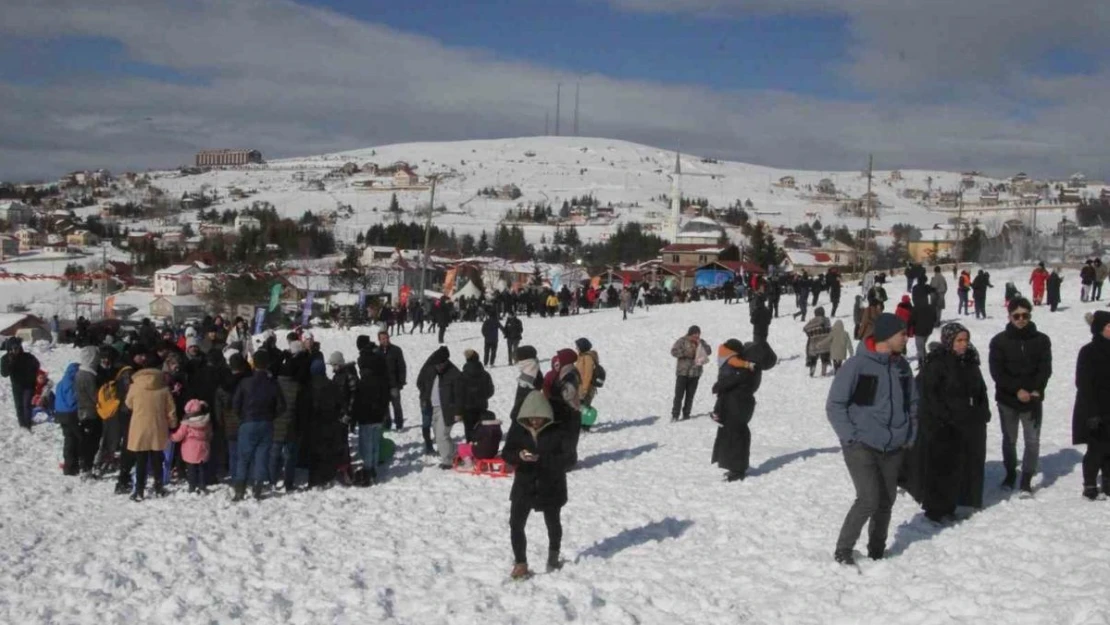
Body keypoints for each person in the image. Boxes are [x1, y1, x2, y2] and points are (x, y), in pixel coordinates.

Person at [826, 313, 917, 565]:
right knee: (868, 498)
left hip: (895, 444)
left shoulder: (901, 366)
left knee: (886, 501)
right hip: (861, 445)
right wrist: (850, 437)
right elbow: (835, 405)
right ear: (887, 336)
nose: (906, 337)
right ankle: (843, 550)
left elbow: (913, 402)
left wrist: (910, 433)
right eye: (902, 334)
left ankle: (877, 551)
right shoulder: (857, 365)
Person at [912, 323, 990, 524]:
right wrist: (945, 418)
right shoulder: (937, 363)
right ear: (949, 341)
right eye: (959, 340)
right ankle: (937, 508)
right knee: (943, 468)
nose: (963, 344)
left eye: (966, 340)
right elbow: (929, 395)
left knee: (964, 464)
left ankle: (959, 501)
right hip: (945, 425)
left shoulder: (970, 361)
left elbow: (980, 390)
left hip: (969, 423)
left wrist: (983, 412)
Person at [502, 390, 572, 580]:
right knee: (516, 523)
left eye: (538, 418)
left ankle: (553, 556)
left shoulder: (557, 430)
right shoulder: (518, 428)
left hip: (551, 484)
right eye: (531, 418)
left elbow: (568, 458)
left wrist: (543, 459)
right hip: (524, 483)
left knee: (553, 522)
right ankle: (521, 563)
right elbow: (506, 453)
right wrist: (519, 456)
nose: (534, 421)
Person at [988, 297, 1052, 495]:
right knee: (1010, 439)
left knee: (1032, 440)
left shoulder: (1041, 340)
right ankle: (1010, 473)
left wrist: (1036, 390)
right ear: (1010, 317)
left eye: (1025, 315)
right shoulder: (999, 341)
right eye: (1017, 316)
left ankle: (1026, 478)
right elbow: (997, 372)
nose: (1021, 319)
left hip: (1032, 399)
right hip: (1008, 399)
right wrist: (1017, 390)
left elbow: (1045, 368)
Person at [231, 350, 284, 501]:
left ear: (253, 363)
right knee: (262, 456)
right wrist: (271, 416)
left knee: (244, 457)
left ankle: (240, 490)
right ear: (267, 364)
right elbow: (282, 406)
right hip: (266, 423)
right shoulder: (272, 383)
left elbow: (235, 404)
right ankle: (258, 489)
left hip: (247, 422)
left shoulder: (245, 382)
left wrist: (242, 417)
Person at [123, 362, 178, 501]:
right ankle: (158, 487)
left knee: (141, 460)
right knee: (157, 458)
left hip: (139, 427)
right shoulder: (164, 389)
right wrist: (172, 425)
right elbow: (171, 410)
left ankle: (139, 490)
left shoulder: (134, 387)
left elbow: (128, 404)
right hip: (158, 427)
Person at [710, 339, 763, 482]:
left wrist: (720, 385)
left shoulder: (749, 369)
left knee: (737, 435)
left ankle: (738, 469)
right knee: (731, 435)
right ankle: (734, 466)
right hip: (735, 403)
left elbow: (736, 381)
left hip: (739, 404)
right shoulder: (747, 367)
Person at [1074, 311, 1110, 500]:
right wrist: (1092, 412)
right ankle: (1089, 483)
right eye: (1109, 326)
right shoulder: (1088, 351)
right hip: (1094, 408)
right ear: (1099, 329)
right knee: (1096, 448)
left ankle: (1108, 482)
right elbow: (1083, 383)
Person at [355, 337, 390, 484]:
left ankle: (368, 469)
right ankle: (374, 468)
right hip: (378, 413)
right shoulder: (381, 378)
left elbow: (359, 400)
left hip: (367, 415)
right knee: (375, 442)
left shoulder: (364, 382)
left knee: (367, 443)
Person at [546, 349, 583, 467]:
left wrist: (558, 391)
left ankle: (567, 463)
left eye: (560, 357)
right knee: (563, 437)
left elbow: (569, 394)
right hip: (565, 410)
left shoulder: (570, 373)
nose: (558, 359)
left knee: (568, 438)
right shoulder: (564, 372)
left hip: (570, 411)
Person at [429, 347, 463, 469]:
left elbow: (460, 395)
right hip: (436, 407)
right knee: (438, 434)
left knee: (442, 435)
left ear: (444, 362)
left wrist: (458, 412)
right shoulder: (439, 372)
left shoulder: (454, 374)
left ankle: (448, 461)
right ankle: (455, 453)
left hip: (447, 409)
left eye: (438, 365)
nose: (436, 367)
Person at [670, 326, 712, 422]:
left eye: (698, 333)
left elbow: (709, 351)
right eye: (695, 333)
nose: (697, 335)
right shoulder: (682, 341)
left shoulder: (701, 342)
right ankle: (675, 415)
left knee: (690, 395)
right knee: (679, 395)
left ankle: (686, 414)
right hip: (683, 372)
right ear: (690, 333)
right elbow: (673, 351)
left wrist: (701, 346)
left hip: (695, 373)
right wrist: (685, 352)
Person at [171, 399, 212, 494]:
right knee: (202, 468)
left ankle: (192, 486)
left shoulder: (186, 424)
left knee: (191, 469)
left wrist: (170, 437)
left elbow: (179, 436)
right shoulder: (206, 421)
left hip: (190, 450)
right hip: (203, 447)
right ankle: (202, 485)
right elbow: (210, 434)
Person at [73, 346, 102, 479]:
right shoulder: (88, 375)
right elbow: (94, 395)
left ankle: (84, 467)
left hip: (82, 411)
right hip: (90, 412)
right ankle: (86, 469)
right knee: (90, 442)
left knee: (86, 441)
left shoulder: (79, 373)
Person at [1, 337, 40, 431]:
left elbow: (37, 365)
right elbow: (4, 373)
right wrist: (10, 362)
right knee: (19, 405)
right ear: (9, 349)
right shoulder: (5, 358)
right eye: (13, 348)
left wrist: (33, 375)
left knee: (27, 404)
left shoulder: (27, 356)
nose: (16, 350)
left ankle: (27, 424)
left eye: (17, 348)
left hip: (29, 384)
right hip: (17, 385)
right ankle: (22, 423)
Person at [459, 349, 495, 443]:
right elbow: (490, 391)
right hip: (482, 406)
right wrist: (482, 396)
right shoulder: (485, 374)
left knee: (469, 431)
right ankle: (480, 449)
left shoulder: (462, 375)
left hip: (467, 408)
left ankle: (470, 450)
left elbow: (459, 393)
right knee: (481, 430)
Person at [378, 330, 407, 431]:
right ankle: (387, 424)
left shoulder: (396, 350)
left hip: (394, 383)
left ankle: (399, 424)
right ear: (379, 340)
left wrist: (402, 381)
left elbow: (402, 366)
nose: (385, 340)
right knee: (385, 406)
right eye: (383, 339)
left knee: (396, 405)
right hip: (382, 384)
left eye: (386, 338)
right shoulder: (377, 352)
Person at [510, 346, 543, 423]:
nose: (515, 360)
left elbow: (522, 398)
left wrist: (514, 414)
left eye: (517, 357)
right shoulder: (532, 369)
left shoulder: (529, 376)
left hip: (523, 416)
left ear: (524, 359)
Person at [574, 338, 600, 431]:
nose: (576, 348)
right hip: (581, 386)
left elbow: (588, 375)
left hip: (587, 388)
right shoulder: (582, 356)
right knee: (580, 406)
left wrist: (584, 390)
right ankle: (581, 424)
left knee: (584, 407)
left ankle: (585, 425)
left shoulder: (588, 358)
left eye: (578, 346)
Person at [911, 280, 938, 367]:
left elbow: (912, 320)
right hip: (928, 330)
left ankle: (921, 362)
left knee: (919, 347)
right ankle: (924, 359)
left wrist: (910, 327)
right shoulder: (931, 308)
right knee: (922, 345)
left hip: (919, 330)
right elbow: (934, 319)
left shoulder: (916, 308)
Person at [803, 307, 832, 377]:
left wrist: (811, 333)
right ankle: (823, 372)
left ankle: (812, 369)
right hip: (826, 345)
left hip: (815, 344)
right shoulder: (827, 320)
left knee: (813, 357)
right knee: (825, 358)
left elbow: (805, 328)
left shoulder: (813, 320)